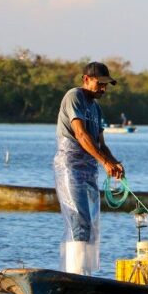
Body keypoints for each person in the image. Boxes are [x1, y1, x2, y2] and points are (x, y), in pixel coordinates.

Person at [53, 61, 125, 276]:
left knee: (92, 225)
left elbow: (101, 143)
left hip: (89, 171)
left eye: (106, 85)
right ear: (86, 79)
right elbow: (82, 136)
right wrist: (105, 163)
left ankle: (86, 273)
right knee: (79, 219)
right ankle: (75, 274)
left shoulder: (96, 107)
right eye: (99, 83)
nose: (103, 89)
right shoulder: (74, 97)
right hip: (71, 168)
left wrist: (114, 162)